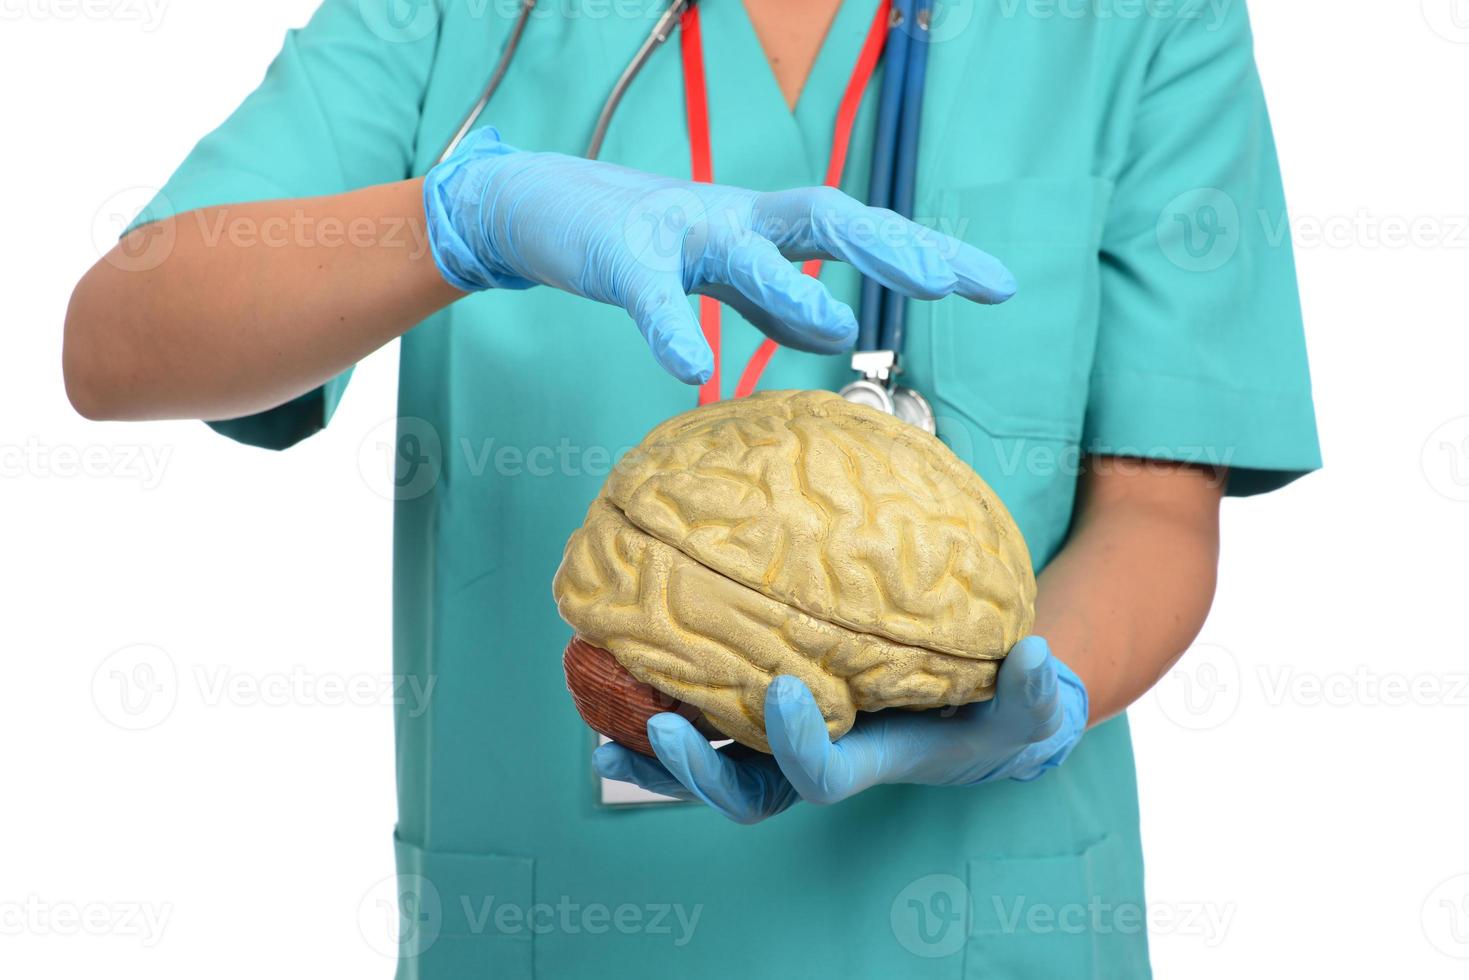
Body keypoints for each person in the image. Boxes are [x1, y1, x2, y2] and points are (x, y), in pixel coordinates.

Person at [63, 0, 1319, 975]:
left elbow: (1155, 509)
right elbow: (118, 336)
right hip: (550, 925)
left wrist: (1013, 701)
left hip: (990, 920)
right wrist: (469, 216)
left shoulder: (1138, 18)